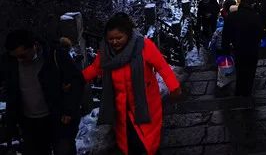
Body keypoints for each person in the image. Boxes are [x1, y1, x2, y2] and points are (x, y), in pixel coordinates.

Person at [83, 13, 181, 155]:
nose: (115, 42)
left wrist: (174, 86)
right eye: (111, 39)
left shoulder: (143, 45)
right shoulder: (106, 52)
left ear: (128, 34)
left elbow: (162, 66)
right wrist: (77, 79)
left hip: (145, 104)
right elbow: (95, 68)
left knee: (146, 143)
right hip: (122, 107)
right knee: (129, 143)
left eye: (119, 38)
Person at [3, 29, 84, 155]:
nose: (19, 60)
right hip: (30, 123)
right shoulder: (10, 62)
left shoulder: (55, 56)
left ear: (33, 46)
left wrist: (69, 110)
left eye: (23, 56)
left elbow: (76, 83)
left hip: (59, 119)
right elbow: (11, 93)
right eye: (15, 56)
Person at [221, 0, 264, 96]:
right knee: (251, 71)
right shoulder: (255, 16)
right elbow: (260, 33)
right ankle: (248, 92)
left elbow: (226, 34)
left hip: (238, 48)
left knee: (240, 71)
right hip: (253, 48)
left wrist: (225, 49)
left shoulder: (232, 16)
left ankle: (239, 92)